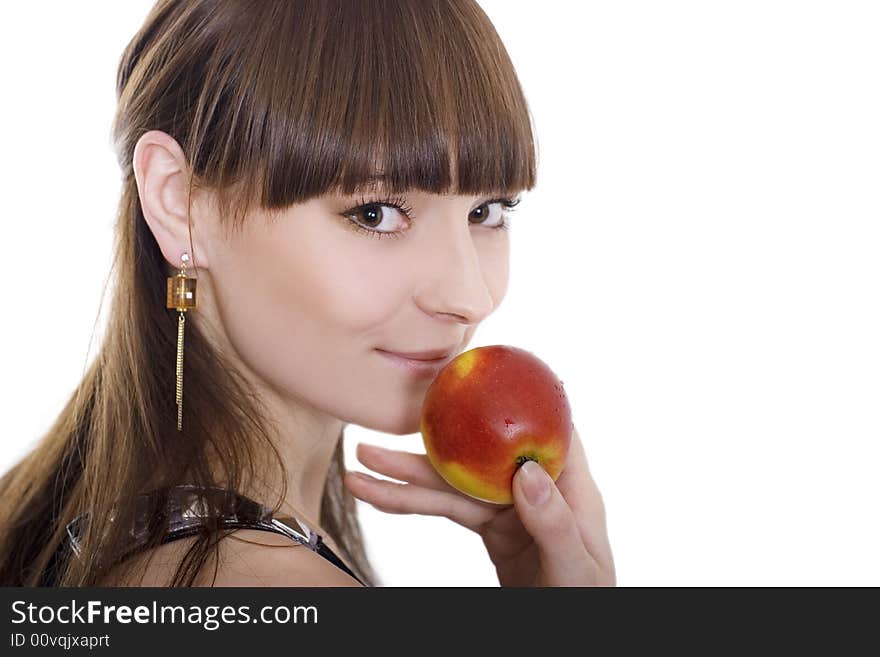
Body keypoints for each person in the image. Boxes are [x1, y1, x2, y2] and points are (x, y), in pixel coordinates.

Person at [0, 0, 615, 587]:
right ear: (180, 201)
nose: (470, 296)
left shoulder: (64, 525)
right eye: (374, 214)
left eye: (487, 210)